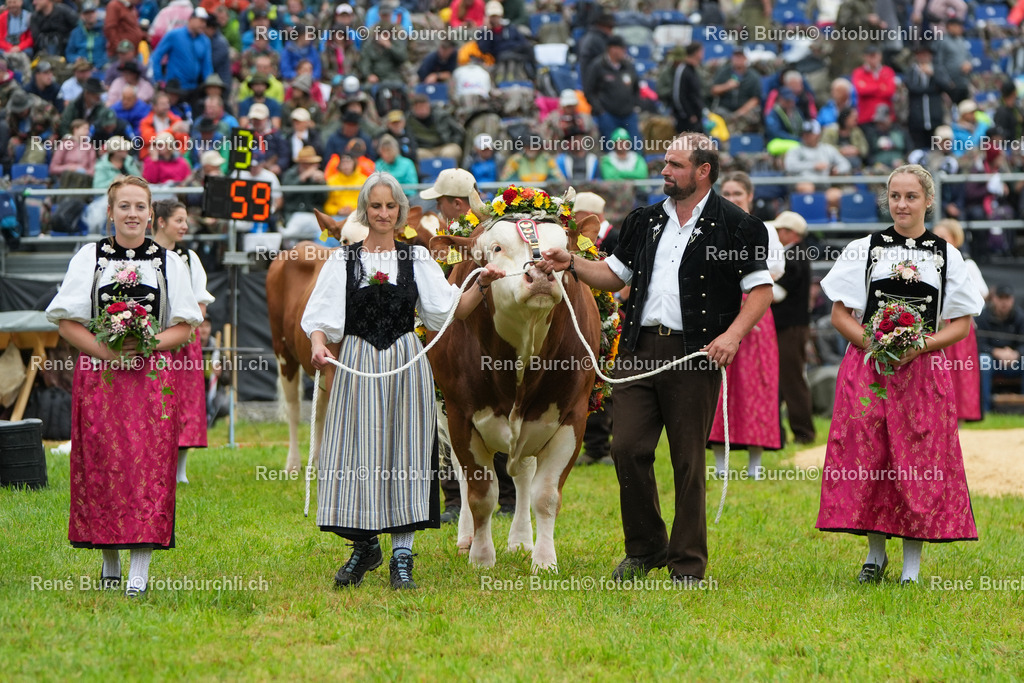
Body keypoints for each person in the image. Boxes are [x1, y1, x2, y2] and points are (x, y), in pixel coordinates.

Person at [538, 133, 774, 584]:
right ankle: (645, 549)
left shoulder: (739, 225)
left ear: (703, 171)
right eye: (664, 162)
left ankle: (687, 564)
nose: (664, 170)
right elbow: (612, 275)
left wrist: (732, 337)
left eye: (675, 164)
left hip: (696, 353)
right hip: (638, 350)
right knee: (626, 448)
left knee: (687, 460)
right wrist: (570, 262)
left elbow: (760, 290)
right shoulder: (644, 220)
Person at [301, 172, 505, 590]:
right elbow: (320, 320)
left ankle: (401, 556)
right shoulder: (343, 260)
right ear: (365, 209)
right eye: (375, 206)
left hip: (404, 363)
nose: (382, 213)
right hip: (356, 362)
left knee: (405, 454)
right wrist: (319, 345)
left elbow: (450, 312)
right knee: (354, 454)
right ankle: (364, 544)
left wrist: (482, 283)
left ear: (400, 212)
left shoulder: (417, 260)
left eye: (389, 206)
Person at [817, 164, 983, 585]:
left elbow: (961, 324)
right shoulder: (865, 248)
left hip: (922, 373)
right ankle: (875, 556)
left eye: (911, 196)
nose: (902, 204)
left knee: (918, 462)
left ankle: (912, 564)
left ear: (928, 200)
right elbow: (839, 314)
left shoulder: (947, 254)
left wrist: (917, 348)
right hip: (870, 371)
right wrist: (876, 345)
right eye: (894, 196)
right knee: (872, 458)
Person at [44, 176, 202, 597]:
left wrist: (147, 344)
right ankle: (109, 563)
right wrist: (107, 352)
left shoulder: (170, 263)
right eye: (124, 206)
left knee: (147, 470)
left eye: (140, 207)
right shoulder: (89, 257)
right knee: (102, 465)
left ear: (152, 214)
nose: (132, 214)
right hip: (102, 377)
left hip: (151, 381)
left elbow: (185, 327)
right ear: (111, 211)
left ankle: (139, 571)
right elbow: (65, 321)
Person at [418, 167, 517, 522]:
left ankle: (497, 498)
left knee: (483, 412)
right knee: (456, 417)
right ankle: (460, 500)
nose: (439, 207)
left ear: (457, 203)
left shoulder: (488, 238)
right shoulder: (462, 234)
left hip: (473, 339)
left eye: (442, 201)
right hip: (456, 341)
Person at [707, 171, 785, 478]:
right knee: (717, 386)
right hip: (719, 312)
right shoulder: (711, 227)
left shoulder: (765, 230)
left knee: (758, 385)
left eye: (738, 193)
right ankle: (719, 466)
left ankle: (754, 466)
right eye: (726, 192)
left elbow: (775, 269)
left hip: (756, 311)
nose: (731, 198)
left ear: (750, 196)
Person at [152, 198, 214, 483]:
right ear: (161, 221)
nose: (185, 226)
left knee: (185, 403)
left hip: (184, 343)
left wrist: (185, 328)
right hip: (150, 341)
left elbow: (200, 303)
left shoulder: (189, 258)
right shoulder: (144, 256)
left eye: (186, 220)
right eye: (179, 220)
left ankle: (180, 471)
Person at [770, 210, 816, 444]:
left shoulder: (794, 256)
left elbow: (776, 294)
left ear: (790, 233)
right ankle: (781, 432)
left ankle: (803, 433)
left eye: (779, 230)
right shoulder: (794, 254)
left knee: (791, 380)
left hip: (790, 327)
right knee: (785, 379)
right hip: (789, 326)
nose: (776, 234)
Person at [933, 218, 986, 421]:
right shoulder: (929, 265)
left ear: (955, 240)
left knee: (960, 371)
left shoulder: (966, 264)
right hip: (935, 327)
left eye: (943, 237)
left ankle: (960, 417)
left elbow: (982, 294)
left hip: (958, 327)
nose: (938, 241)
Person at [976, 285, 1024, 414]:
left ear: (1012, 300)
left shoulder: (1020, 316)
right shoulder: (982, 317)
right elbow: (978, 343)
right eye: (1000, 298)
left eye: (1007, 298)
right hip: (992, 361)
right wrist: (996, 352)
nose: (1004, 302)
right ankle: (984, 411)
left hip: (1015, 362)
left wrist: (1016, 353)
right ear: (994, 299)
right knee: (983, 361)